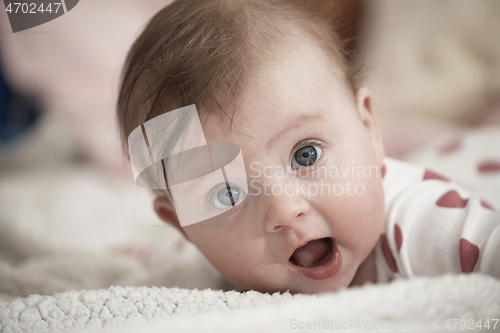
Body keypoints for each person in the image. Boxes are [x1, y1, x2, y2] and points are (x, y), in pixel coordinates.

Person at [116, 0, 500, 294]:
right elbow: (177, 262)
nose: (284, 210)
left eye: (306, 155)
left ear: (368, 127)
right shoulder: (211, 258)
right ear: (184, 227)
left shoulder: (424, 222)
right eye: (226, 194)